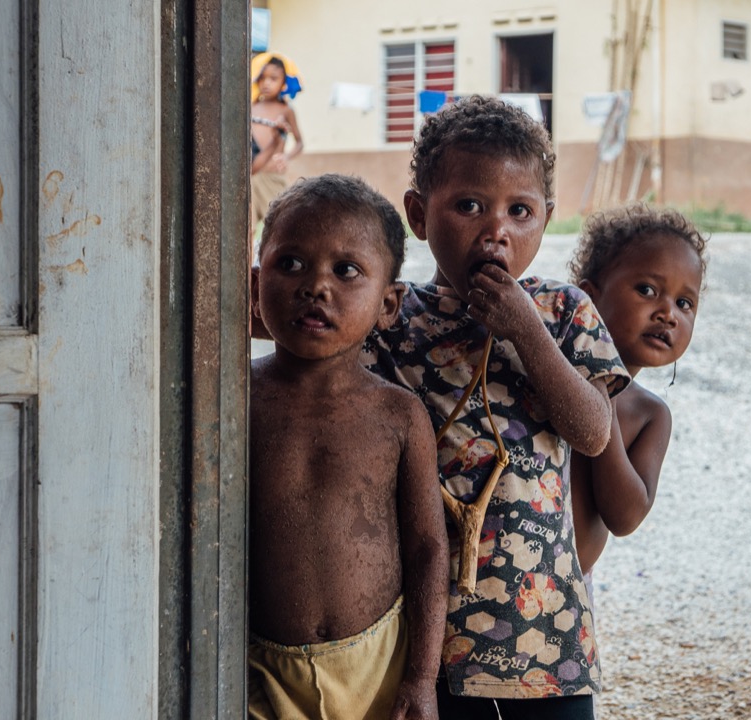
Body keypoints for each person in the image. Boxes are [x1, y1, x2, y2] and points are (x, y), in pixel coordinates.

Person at [364, 95, 629, 719]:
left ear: (547, 219)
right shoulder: (392, 318)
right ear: (419, 214)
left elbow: (592, 433)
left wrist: (526, 332)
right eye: (469, 206)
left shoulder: (564, 312)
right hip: (427, 641)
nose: (496, 229)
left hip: (545, 632)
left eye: (520, 211)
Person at [249, 174, 448, 720]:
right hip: (259, 669)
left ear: (388, 304)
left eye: (346, 270)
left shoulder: (397, 414)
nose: (316, 286)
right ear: (253, 284)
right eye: (290, 264)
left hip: (379, 667)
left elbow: (429, 550)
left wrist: (423, 678)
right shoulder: (235, 402)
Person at [567, 204, 707, 583]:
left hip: (569, 598)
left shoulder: (649, 415)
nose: (668, 314)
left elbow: (625, 516)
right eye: (647, 290)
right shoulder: (552, 374)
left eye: (684, 303)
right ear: (588, 299)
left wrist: (604, 393)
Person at [250, 53, 304, 232]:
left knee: (277, 228)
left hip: (273, 177)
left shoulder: (286, 111)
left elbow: (299, 142)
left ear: (283, 83)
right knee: (247, 229)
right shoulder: (251, 107)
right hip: (250, 177)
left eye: (273, 79)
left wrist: (287, 157)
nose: (266, 83)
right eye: (262, 78)